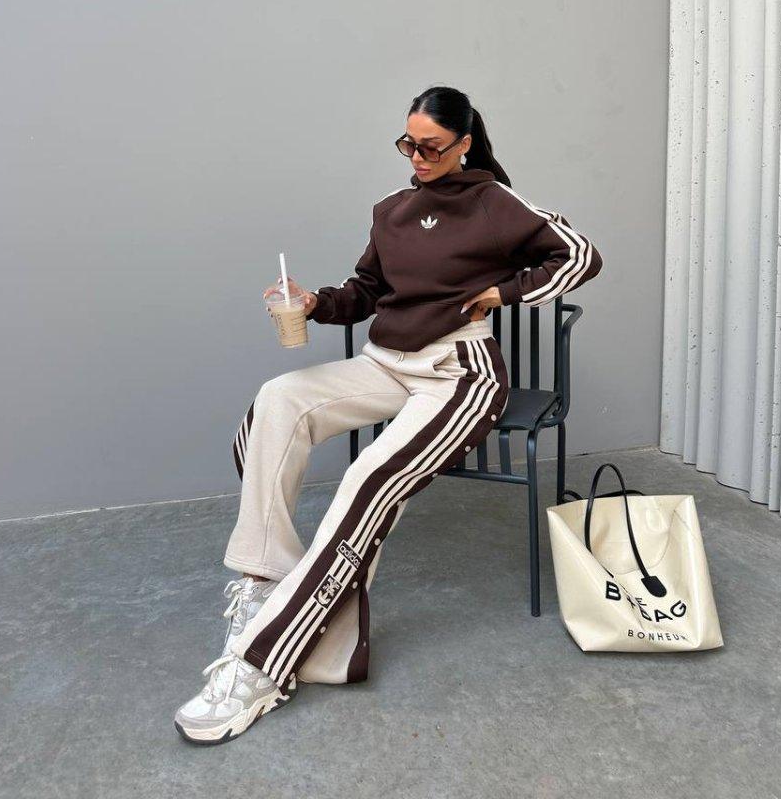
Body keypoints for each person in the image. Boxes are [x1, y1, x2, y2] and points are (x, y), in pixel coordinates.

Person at [174, 85, 603, 744]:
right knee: (277, 401)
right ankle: (267, 579)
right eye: (409, 144)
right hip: (385, 365)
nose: (418, 157)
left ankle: (262, 667)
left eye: (432, 146)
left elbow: (579, 254)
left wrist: (505, 291)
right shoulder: (392, 211)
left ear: (464, 144)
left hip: (459, 374)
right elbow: (366, 293)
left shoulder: (494, 203)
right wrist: (313, 302)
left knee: (367, 479)